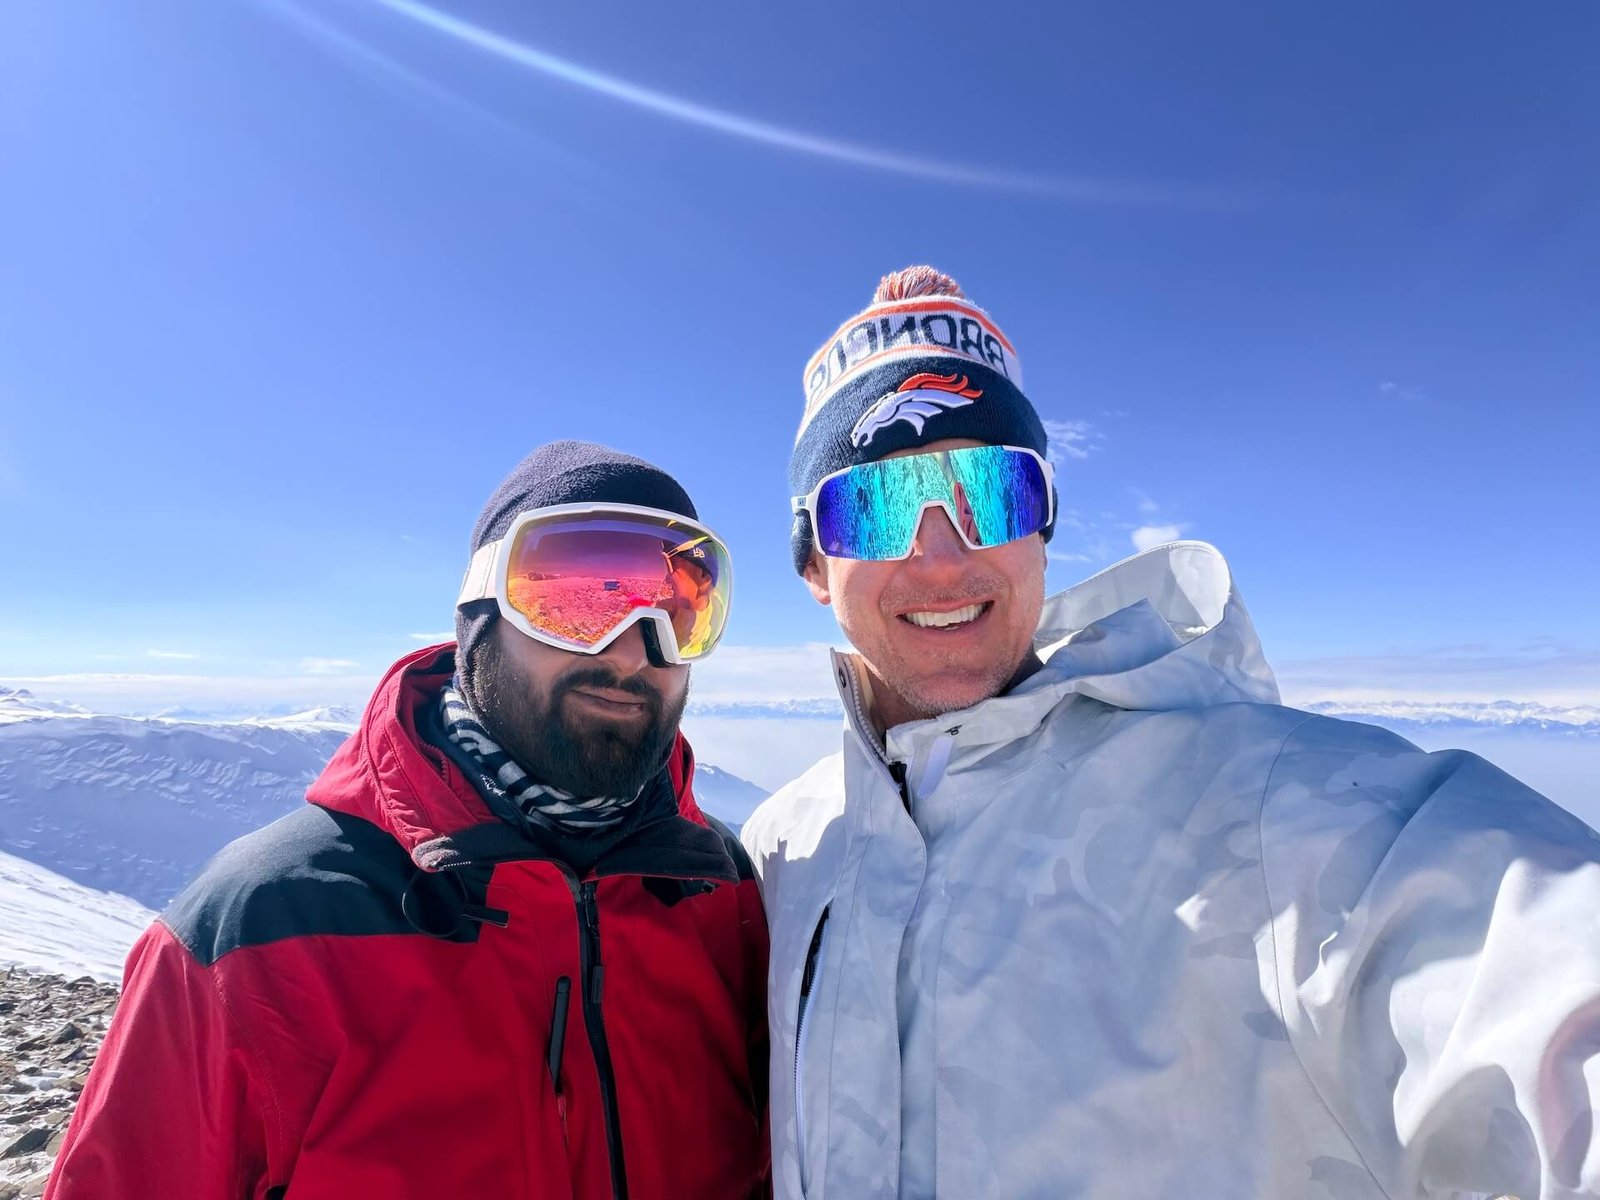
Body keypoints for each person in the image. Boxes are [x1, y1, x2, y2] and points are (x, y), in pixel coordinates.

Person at [741, 266, 1600, 1199]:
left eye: (991, 492)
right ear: (814, 567)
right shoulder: (784, 853)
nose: (942, 555)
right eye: (871, 506)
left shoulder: (1276, 816)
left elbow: (1527, 968)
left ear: (1044, 530)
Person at [48, 441, 770, 1199]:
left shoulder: (723, 891)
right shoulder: (259, 930)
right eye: (577, 600)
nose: (632, 651)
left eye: (682, 610)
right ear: (477, 614)